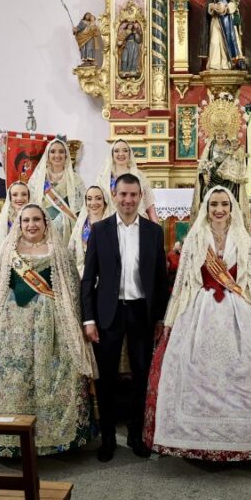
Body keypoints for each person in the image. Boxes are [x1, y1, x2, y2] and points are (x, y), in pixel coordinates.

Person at [144, 187, 251, 460]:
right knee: (194, 368)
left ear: (232, 209)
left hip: (237, 310)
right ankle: (195, 438)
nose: (219, 210)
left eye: (224, 205)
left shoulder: (243, 239)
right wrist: (171, 320)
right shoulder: (196, 238)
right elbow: (183, 282)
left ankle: (244, 438)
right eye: (214, 204)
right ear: (206, 208)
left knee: (240, 371)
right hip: (200, 309)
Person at [0, 204, 98, 456]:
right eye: (26, 220)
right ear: (19, 224)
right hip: (9, 326)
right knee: (13, 377)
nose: (31, 224)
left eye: (37, 219)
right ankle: (8, 438)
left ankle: (52, 439)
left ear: (46, 223)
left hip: (51, 326)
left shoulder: (61, 254)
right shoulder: (7, 251)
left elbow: (71, 295)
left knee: (47, 376)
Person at [81, 173, 169, 461]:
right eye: (123, 195)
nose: (128, 200)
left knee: (141, 375)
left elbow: (160, 279)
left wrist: (159, 318)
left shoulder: (154, 232)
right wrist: (89, 319)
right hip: (109, 311)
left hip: (141, 311)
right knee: (106, 376)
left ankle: (135, 434)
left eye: (133, 195)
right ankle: (107, 437)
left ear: (140, 196)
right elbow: (88, 278)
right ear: (114, 196)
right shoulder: (101, 229)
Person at [27, 138, 83, 246]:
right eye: (53, 151)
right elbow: (30, 204)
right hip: (42, 226)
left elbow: (81, 208)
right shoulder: (38, 179)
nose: (57, 155)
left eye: (61, 151)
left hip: (67, 228)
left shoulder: (75, 179)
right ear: (47, 155)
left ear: (66, 155)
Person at [95, 139, 159, 222]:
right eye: (116, 151)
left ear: (129, 154)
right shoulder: (103, 177)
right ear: (112, 154)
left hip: (136, 221)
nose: (121, 154)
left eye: (125, 151)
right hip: (110, 222)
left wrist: (157, 230)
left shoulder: (139, 176)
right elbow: (97, 204)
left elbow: (149, 205)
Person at [200, 0, 246, 71]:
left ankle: (226, 65)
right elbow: (207, 5)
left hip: (228, 20)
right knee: (214, 42)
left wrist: (226, 8)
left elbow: (236, 4)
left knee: (229, 41)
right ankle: (214, 64)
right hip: (216, 20)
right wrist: (213, 6)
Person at [69, 185, 112, 276]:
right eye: (89, 199)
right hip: (82, 274)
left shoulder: (112, 224)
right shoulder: (81, 224)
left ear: (105, 200)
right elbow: (71, 250)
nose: (93, 202)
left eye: (98, 198)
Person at [0, 181, 33, 260]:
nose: (19, 198)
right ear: (10, 198)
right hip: (9, 260)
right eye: (15, 195)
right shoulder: (5, 219)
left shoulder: (37, 217)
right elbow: (0, 246)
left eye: (24, 194)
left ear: (29, 197)